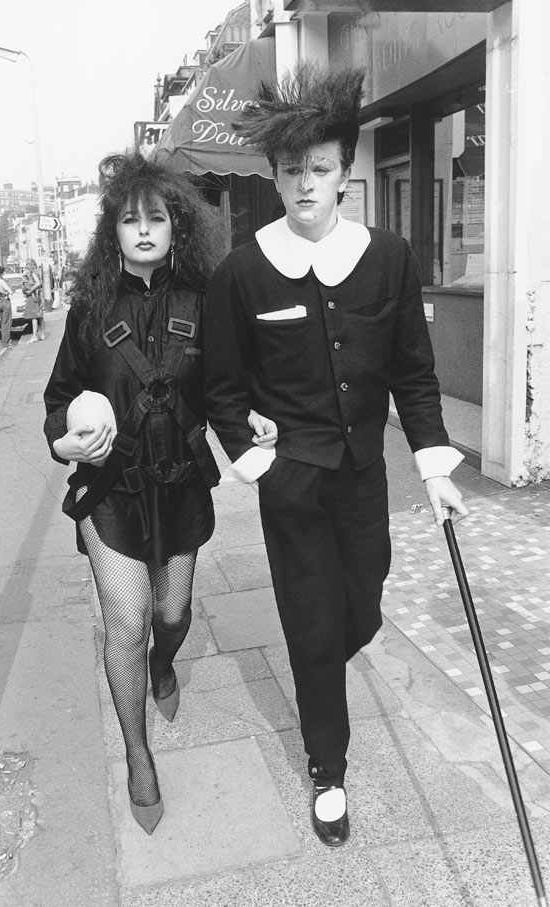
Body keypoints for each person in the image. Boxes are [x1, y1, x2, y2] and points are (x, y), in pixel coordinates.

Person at [204, 64, 469, 848]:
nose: (306, 183)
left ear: (345, 170)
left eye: (320, 167)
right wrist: (256, 466)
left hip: (364, 483)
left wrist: (434, 469)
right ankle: (329, 768)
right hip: (291, 484)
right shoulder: (242, 271)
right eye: (291, 170)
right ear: (276, 176)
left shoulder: (388, 256)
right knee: (313, 628)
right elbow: (220, 389)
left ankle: (329, 653)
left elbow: (415, 374)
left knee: (362, 601)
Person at [43, 151, 275, 836]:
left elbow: (232, 390)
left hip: (179, 486)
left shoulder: (205, 304)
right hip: (109, 490)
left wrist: (256, 420)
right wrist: (64, 442)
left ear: (177, 227)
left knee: (172, 616)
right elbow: (58, 402)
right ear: (112, 231)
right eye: (128, 219)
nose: (142, 230)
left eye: (156, 218)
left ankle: (166, 663)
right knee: (128, 620)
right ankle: (137, 751)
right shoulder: (89, 309)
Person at [22, 258, 45, 342]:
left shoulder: (33, 273)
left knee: (34, 316)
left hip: (33, 296)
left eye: (27, 265)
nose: (26, 267)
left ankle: (34, 335)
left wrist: (30, 290)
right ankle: (42, 333)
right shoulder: (37, 272)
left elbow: (38, 283)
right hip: (37, 295)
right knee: (40, 316)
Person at [0, 265, 13, 347]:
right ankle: (6, 341)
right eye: (2, 273)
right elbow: (10, 291)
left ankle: (3, 339)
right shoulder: (1, 282)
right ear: (0, 273)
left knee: (2, 322)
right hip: (5, 301)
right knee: (7, 322)